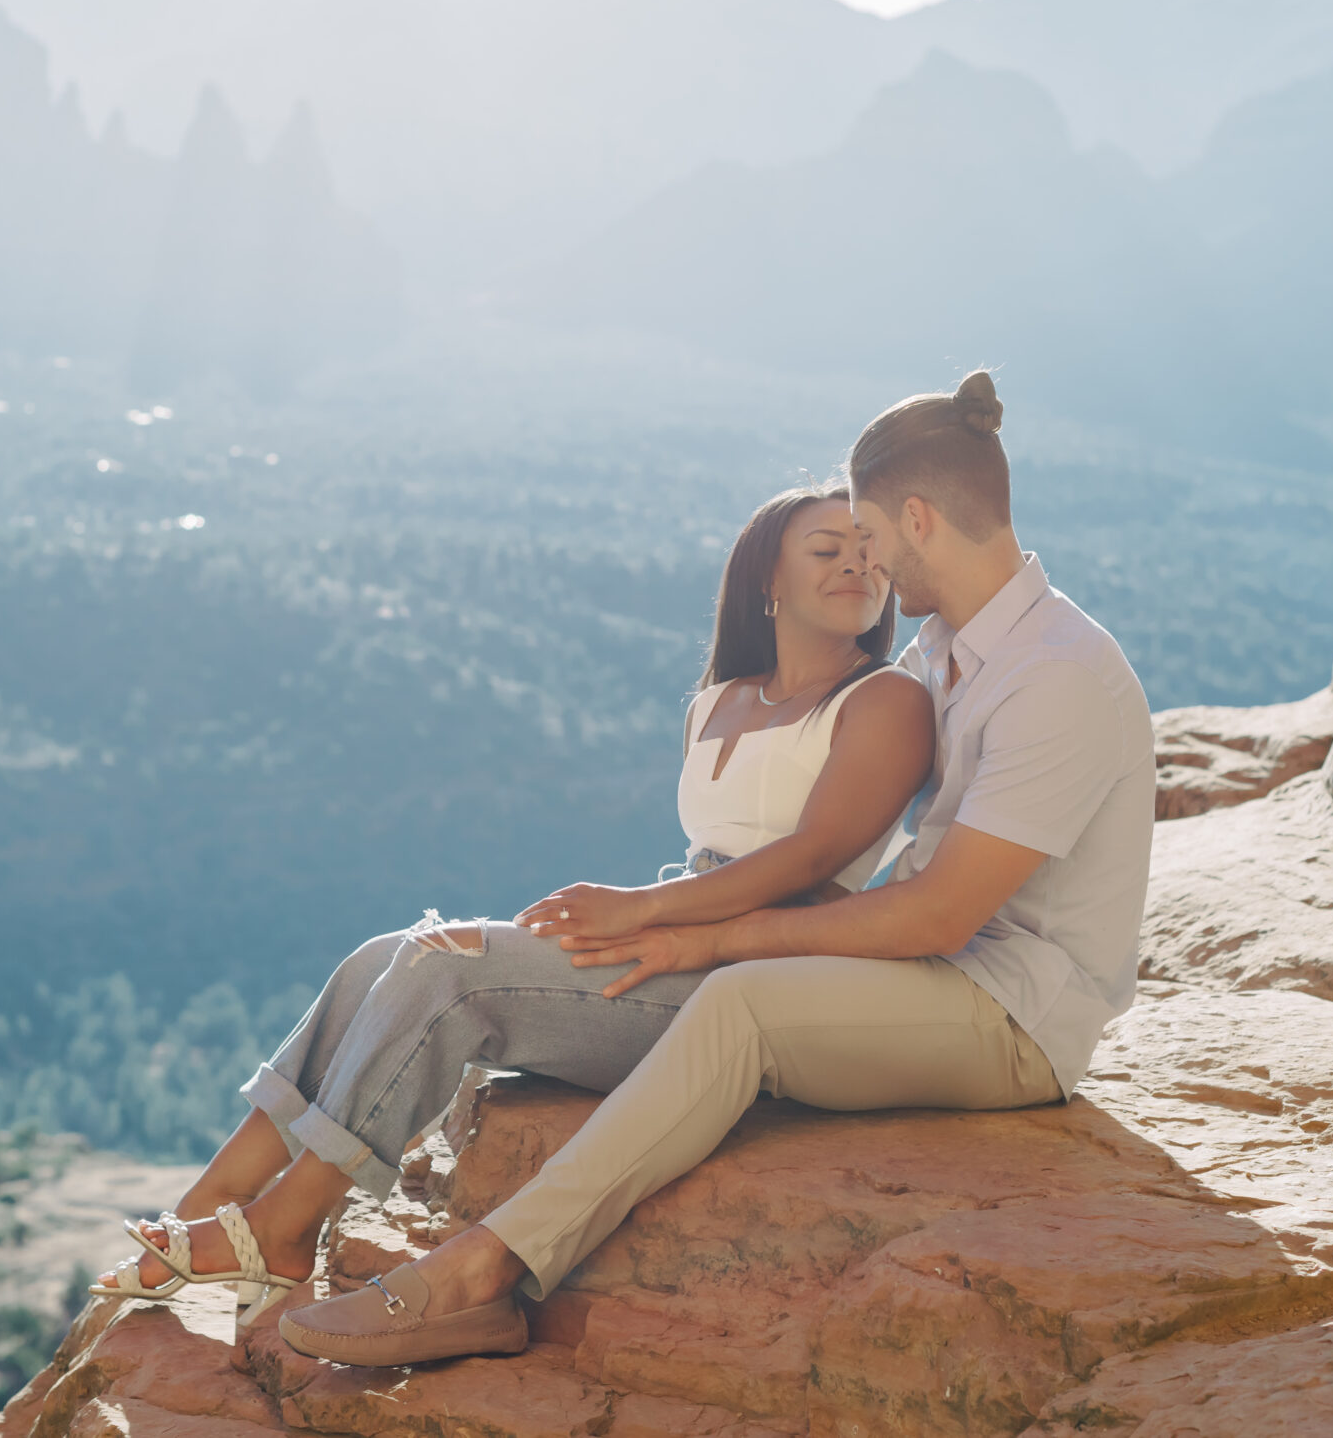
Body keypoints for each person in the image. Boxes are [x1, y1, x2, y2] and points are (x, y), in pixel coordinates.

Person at [278, 369, 1156, 1366]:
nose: (863, 565)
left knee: (739, 1002)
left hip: (1014, 1017)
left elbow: (934, 920)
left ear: (917, 518)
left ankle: (482, 1275)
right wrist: (684, 911)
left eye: (867, 535)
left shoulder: (1056, 675)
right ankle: (284, 1210)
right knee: (645, 975)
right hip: (939, 975)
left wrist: (707, 933)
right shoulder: (945, 651)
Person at [87, 483, 935, 1326]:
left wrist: (636, 911)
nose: (857, 565)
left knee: (448, 977)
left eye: (869, 552)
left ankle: (281, 1226)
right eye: (829, 550)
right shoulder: (721, 700)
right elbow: (708, 857)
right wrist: (557, 932)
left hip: (757, 977)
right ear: (768, 581)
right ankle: (215, 1196)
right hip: (676, 934)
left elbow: (812, 854)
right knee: (386, 954)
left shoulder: (885, 701)